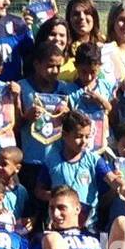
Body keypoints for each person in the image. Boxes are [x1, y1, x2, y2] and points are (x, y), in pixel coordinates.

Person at [18, 40, 78, 192]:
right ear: (37, 64)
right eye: (50, 66)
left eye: (58, 66)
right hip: (31, 160)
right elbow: (13, 126)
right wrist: (26, 117)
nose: (55, 71)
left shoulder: (66, 89)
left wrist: (68, 116)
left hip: (57, 160)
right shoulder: (21, 88)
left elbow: (76, 126)